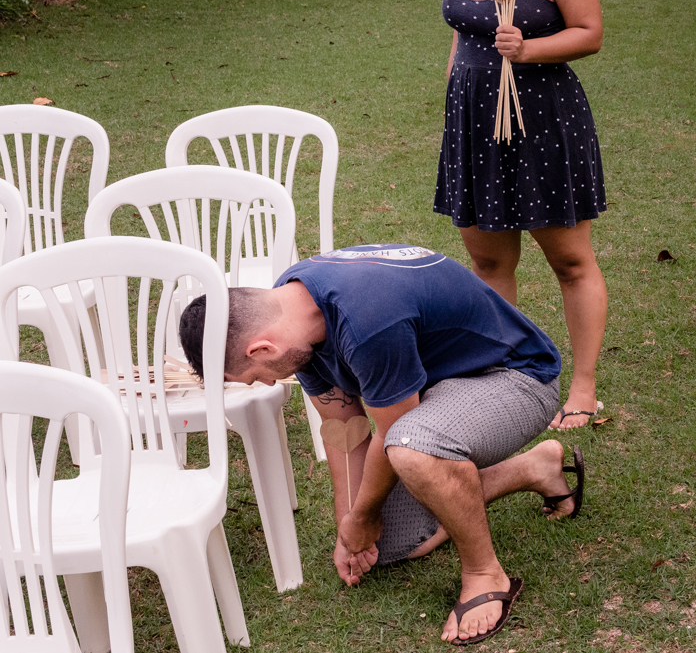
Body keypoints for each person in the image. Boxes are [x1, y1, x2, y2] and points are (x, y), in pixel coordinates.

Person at [177, 243, 585, 646]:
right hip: (436, 393)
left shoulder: (367, 321)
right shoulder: (291, 315)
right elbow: (343, 427)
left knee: (412, 448)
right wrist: (349, 527)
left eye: (255, 375)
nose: (267, 382)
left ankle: (485, 575)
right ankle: (532, 469)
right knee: (390, 544)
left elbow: (394, 432)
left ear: (262, 348)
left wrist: (364, 514)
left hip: (517, 379)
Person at [423, 0, 608, 430]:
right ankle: (507, 376)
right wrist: (454, 101)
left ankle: (583, 387)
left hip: (543, 123)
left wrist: (527, 49)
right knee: (487, 260)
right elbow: (462, 32)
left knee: (571, 261)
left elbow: (589, 33)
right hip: (474, 122)